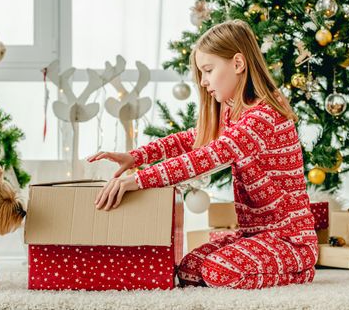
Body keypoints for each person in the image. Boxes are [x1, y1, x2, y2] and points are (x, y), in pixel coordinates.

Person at [87, 19, 318, 289]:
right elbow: (193, 139)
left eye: (208, 70)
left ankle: (301, 269)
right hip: (254, 234)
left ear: (238, 64)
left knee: (218, 272)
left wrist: (136, 180)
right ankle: (264, 260)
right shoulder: (234, 111)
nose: (204, 81)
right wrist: (136, 157)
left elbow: (207, 156)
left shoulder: (265, 115)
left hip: (289, 239)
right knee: (189, 270)